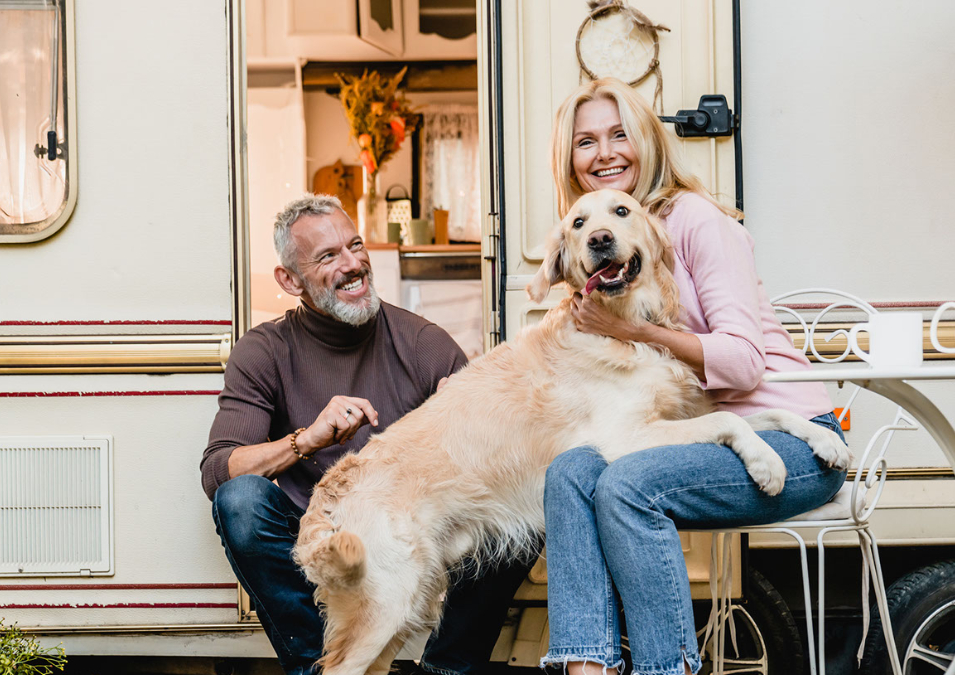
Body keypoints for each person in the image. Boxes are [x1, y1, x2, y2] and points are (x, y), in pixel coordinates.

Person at [539, 78, 846, 675]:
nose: (604, 153)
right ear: (569, 160)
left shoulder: (696, 221)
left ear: (648, 140)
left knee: (627, 485)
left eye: (619, 134)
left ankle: (665, 668)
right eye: (586, 142)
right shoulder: (600, 239)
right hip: (710, 435)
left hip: (795, 438)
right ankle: (587, 667)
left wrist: (638, 333)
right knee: (570, 471)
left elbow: (742, 363)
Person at [201, 194, 531, 675]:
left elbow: (495, 452)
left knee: (528, 502)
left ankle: (446, 667)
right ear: (290, 280)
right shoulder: (264, 351)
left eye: (355, 245)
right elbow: (217, 471)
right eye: (329, 256)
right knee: (240, 500)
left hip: (412, 535)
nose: (354, 264)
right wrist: (308, 439)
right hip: (318, 542)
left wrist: (468, 417)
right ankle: (322, 667)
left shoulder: (422, 342)